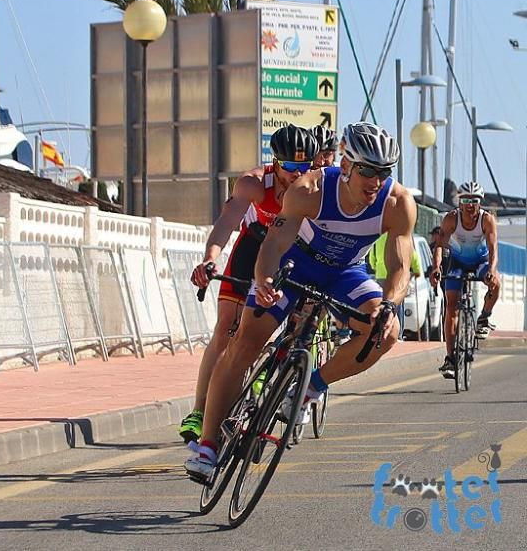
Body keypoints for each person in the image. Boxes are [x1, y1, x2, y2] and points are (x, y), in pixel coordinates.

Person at [186, 122, 416, 481]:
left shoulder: (397, 202)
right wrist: (263, 281)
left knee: (386, 333)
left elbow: (400, 265)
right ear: (347, 165)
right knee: (245, 340)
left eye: (383, 172)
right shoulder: (310, 189)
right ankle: (208, 445)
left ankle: (310, 386)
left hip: (346, 272)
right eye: (368, 171)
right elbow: (274, 244)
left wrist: (390, 304)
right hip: (296, 263)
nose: (375, 181)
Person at [177, 125, 319, 446]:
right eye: (290, 168)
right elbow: (228, 222)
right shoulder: (254, 183)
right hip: (253, 246)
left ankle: (268, 383)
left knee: (296, 324)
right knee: (226, 326)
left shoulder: (317, 186)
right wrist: (210, 259)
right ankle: (200, 411)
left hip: (291, 253)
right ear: (275, 162)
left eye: (304, 167)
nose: (297, 175)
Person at [429, 182, 500, 378]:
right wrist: (436, 267)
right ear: (459, 203)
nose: (470, 205)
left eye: (474, 201)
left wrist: (492, 270)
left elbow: (493, 249)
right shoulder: (451, 219)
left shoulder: (487, 220)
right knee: (451, 305)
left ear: (480, 202)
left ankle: (484, 317)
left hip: (480, 261)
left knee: (496, 283)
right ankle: (450, 358)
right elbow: (440, 246)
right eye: (465, 200)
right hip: (457, 262)